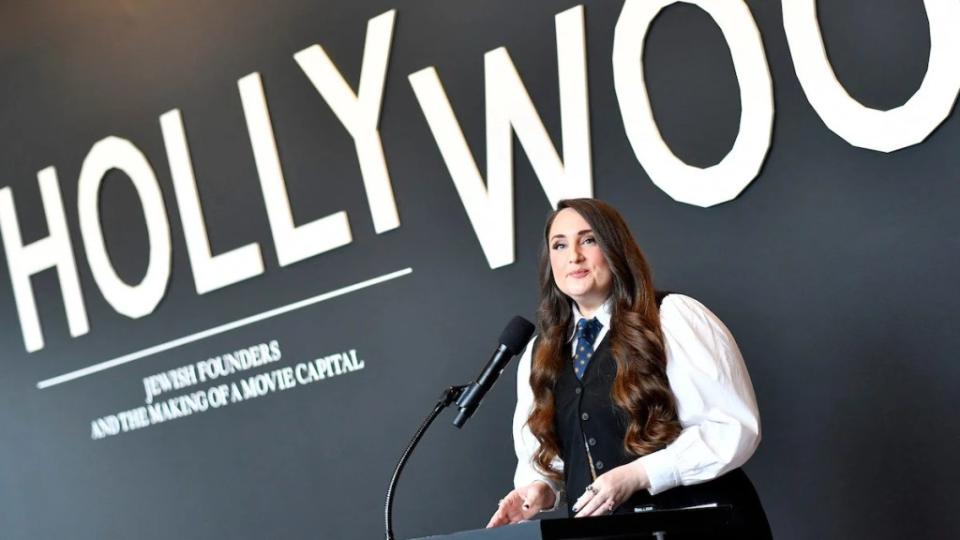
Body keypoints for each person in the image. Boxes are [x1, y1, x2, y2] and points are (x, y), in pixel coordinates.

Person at [486, 199, 771, 537]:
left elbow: (731, 427)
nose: (573, 256)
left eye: (588, 240)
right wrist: (540, 490)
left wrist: (639, 474)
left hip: (700, 528)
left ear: (615, 248)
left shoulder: (672, 317)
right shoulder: (541, 353)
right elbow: (559, 457)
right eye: (559, 245)